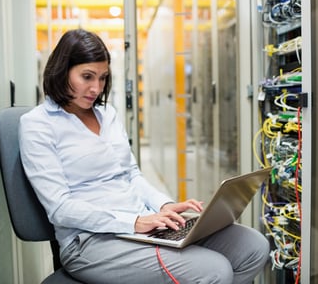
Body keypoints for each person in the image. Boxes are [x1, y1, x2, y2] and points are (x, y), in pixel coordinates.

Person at [19, 29, 270, 284]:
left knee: (253, 247)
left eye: (103, 78)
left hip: (142, 227)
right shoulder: (37, 125)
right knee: (215, 271)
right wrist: (134, 222)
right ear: (62, 71)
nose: (96, 88)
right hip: (90, 241)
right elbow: (60, 208)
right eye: (87, 76)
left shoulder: (107, 115)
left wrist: (162, 205)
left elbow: (131, 175)